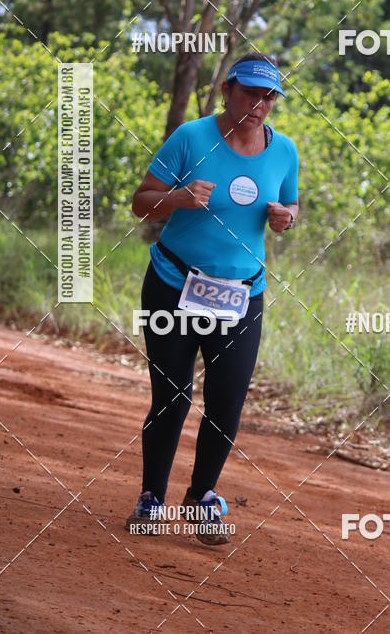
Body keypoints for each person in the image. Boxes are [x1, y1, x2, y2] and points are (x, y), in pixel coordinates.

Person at [125, 53, 299, 545]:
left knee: (227, 403)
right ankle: (151, 499)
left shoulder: (284, 151)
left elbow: (291, 204)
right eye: (251, 93)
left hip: (242, 297)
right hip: (173, 287)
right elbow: (141, 201)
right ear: (228, 89)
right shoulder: (191, 138)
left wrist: (286, 218)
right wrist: (177, 198)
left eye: (269, 97)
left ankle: (202, 497)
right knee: (173, 395)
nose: (259, 105)